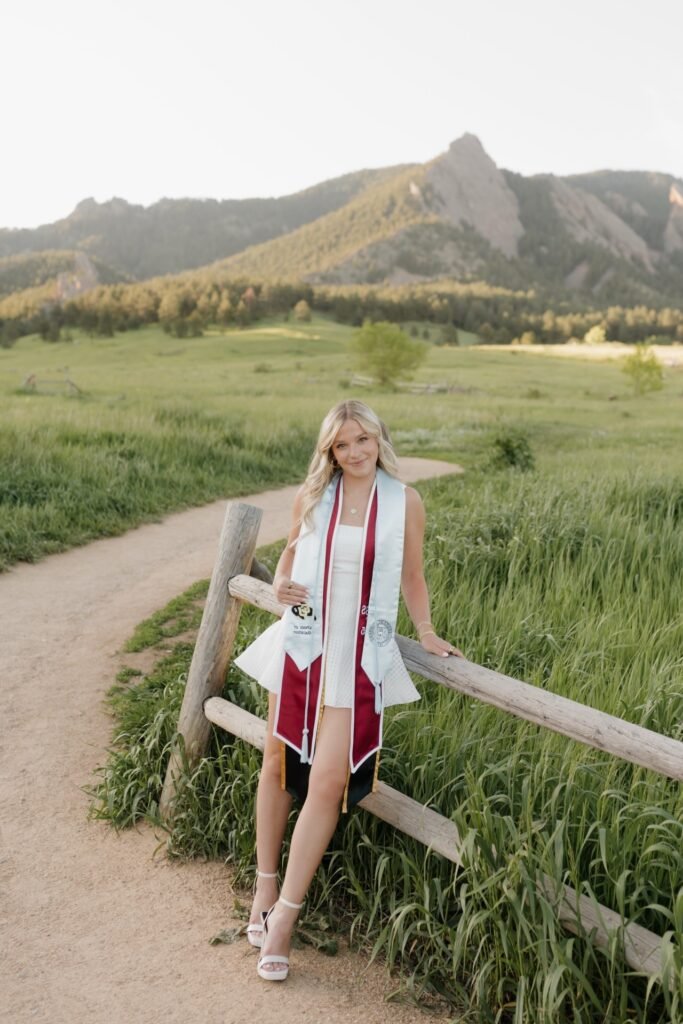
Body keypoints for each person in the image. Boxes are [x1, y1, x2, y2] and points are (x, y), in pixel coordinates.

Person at [233, 399, 462, 982]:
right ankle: (263, 886)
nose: (355, 452)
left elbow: (412, 573)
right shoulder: (314, 495)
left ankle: (285, 916)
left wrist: (429, 632)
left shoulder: (403, 500)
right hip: (306, 642)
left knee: (330, 781)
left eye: (363, 440)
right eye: (343, 445)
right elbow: (289, 550)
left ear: (379, 438)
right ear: (329, 451)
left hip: (360, 653)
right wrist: (282, 579)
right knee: (279, 766)